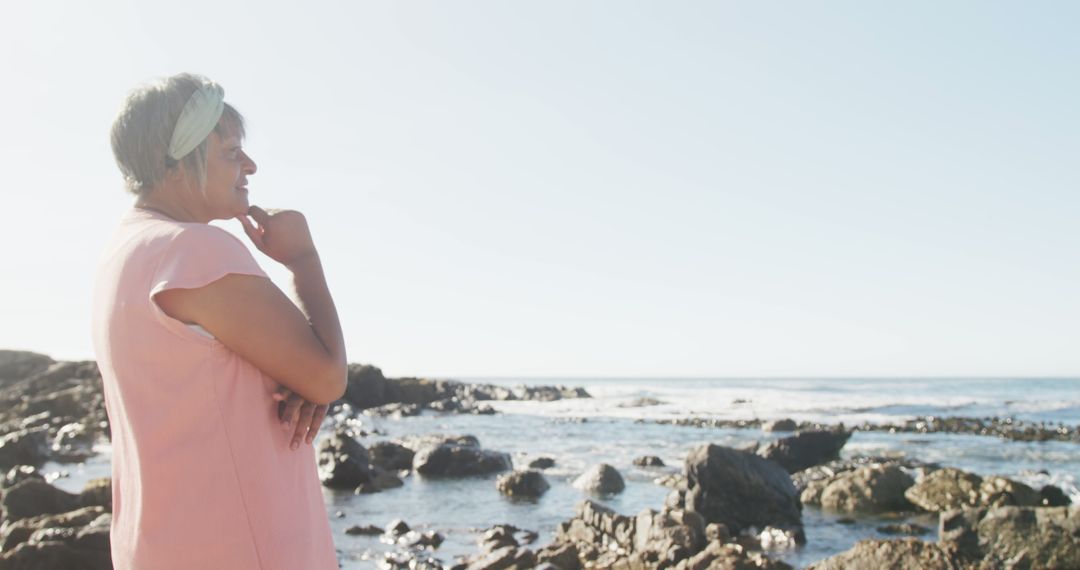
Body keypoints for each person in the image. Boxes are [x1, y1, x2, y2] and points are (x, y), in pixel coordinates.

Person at [91, 73, 346, 569]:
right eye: (231, 152)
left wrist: (301, 380)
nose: (250, 165)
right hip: (239, 546)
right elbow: (329, 375)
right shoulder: (194, 250)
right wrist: (304, 260)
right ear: (176, 165)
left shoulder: (122, 255)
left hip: (163, 545)